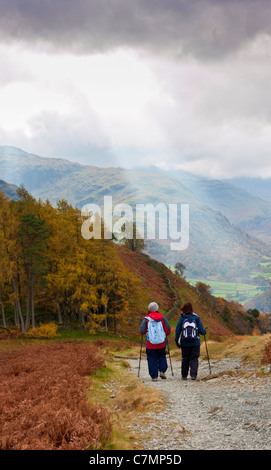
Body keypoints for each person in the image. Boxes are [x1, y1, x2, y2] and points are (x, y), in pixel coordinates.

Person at [140, 302, 171, 381]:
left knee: (151, 358)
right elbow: (168, 330)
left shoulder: (146, 319)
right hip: (161, 343)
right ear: (157, 308)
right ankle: (162, 371)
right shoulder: (162, 318)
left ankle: (154, 376)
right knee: (162, 356)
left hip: (150, 344)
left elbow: (142, 331)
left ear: (149, 309)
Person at [175, 302, 206, 380]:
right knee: (194, 358)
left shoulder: (182, 319)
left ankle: (184, 376)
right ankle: (193, 375)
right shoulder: (196, 318)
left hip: (185, 343)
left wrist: (177, 342)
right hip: (195, 342)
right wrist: (204, 332)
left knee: (185, 358)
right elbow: (202, 331)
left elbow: (177, 331)